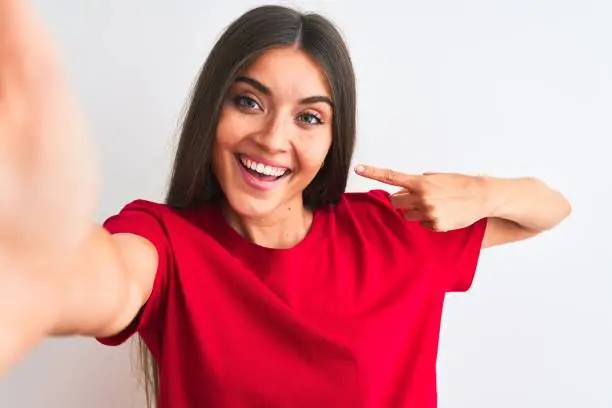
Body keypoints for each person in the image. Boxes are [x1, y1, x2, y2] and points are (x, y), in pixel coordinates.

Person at [0, 2, 571, 407]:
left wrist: (479, 191)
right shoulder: (168, 245)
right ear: (212, 111)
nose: (273, 139)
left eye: (309, 117)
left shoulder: (393, 229)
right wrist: (34, 273)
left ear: (333, 137)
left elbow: (550, 210)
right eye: (250, 102)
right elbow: (101, 281)